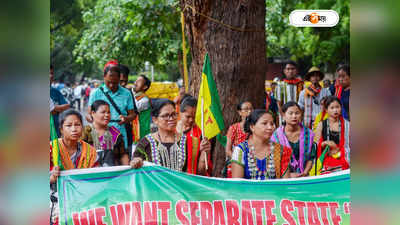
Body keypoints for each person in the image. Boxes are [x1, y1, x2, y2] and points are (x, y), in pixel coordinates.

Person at [131, 99, 211, 175]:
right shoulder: (145, 143)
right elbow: (135, 166)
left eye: (174, 114)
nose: (171, 119)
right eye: (166, 115)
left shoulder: (192, 142)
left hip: (182, 189)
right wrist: (136, 162)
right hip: (155, 189)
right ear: (155, 119)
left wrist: (204, 154)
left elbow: (200, 173)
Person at [49, 109, 98, 225]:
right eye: (69, 125)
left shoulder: (90, 151)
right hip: (55, 201)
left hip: (83, 199)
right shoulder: (51, 149)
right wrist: (51, 177)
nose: (74, 129)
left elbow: (96, 176)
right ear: (61, 129)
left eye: (77, 125)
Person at [87, 60, 137, 150]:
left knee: (121, 156)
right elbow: (89, 114)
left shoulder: (126, 93)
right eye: (108, 82)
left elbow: (133, 114)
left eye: (115, 83)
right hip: (100, 133)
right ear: (104, 77)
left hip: (120, 131)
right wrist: (92, 118)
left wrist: (126, 119)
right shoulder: (95, 93)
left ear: (119, 78)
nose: (111, 85)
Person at [231, 110, 292, 180]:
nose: (270, 127)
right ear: (252, 127)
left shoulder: (282, 150)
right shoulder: (241, 150)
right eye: (264, 123)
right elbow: (237, 185)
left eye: (272, 124)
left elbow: (285, 184)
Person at [271, 102, 316, 177]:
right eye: (290, 113)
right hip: (283, 177)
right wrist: (289, 175)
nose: (294, 116)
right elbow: (274, 160)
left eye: (297, 113)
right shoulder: (276, 136)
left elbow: (311, 158)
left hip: (305, 177)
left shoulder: (308, 134)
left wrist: (304, 173)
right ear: (284, 116)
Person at [311, 96, 350, 175]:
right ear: (326, 110)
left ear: (341, 108)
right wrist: (324, 144)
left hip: (344, 156)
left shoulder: (347, 125)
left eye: (337, 107)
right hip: (326, 157)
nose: (335, 110)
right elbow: (315, 145)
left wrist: (338, 150)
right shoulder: (321, 125)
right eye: (332, 108)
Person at [81, 100, 125, 167]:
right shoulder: (85, 132)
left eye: (108, 112)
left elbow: (122, 155)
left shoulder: (115, 133)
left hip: (111, 174)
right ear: (93, 113)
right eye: (103, 112)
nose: (107, 115)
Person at [176, 96, 213, 175]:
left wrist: (204, 153)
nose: (191, 120)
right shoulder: (172, 130)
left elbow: (202, 170)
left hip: (192, 177)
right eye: (188, 116)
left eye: (194, 117)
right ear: (180, 112)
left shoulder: (201, 133)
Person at [223, 101, 253, 178]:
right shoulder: (233, 128)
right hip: (236, 161)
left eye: (251, 109)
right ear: (239, 112)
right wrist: (239, 160)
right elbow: (228, 150)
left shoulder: (255, 128)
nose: (249, 112)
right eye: (246, 109)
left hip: (252, 162)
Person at [50, 65, 70, 137]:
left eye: (52, 73)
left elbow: (67, 106)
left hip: (55, 132)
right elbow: (53, 110)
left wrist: (56, 108)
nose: (51, 76)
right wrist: (57, 108)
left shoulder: (55, 91)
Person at [131, 75, 152, 144]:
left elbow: (130, 110)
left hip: (141, 134)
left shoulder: (144, 100)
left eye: (139, 81)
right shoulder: (136, 97)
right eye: (136, 80)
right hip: (136, 134)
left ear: (145, 87)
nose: (135, 82)